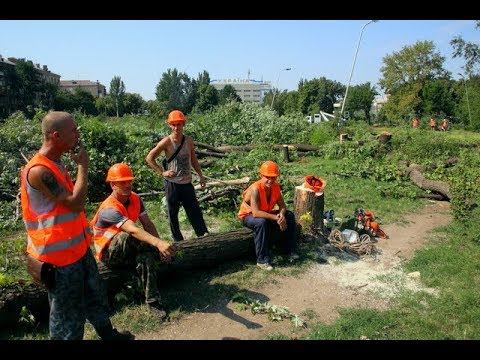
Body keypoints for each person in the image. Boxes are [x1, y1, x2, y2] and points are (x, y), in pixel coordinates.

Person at [19, 111, 133, 340]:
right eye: (74, 130)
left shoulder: (56, 162)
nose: (78, 134)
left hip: (78, 251)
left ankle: (109, 335)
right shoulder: (39, 171)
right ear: (56, 135)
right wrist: (83, 166)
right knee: (67, 318)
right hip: (59, 261)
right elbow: (76, 203)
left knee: (95, 296)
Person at [90, 163, 176, 319]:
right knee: (131, 236)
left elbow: (148, 224)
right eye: (122, 182)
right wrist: (158, 244)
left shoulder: (136, 198)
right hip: (110, 253)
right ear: (112, 185)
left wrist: (160, 245)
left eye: (129, 181)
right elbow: (132, 229)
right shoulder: (108, 209)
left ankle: (153, 302)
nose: (127, 185)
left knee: (146, 257)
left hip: (131, 247)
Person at [145, 110, 209, 242]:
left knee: (194, 211)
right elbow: (149, 158)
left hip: (187, 183)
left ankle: (203, 236)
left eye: (179, 124)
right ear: (169, 125)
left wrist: (201, 176)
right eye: (173, 124)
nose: (176, 127)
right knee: (173, 214)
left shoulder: (188, 141)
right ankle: (178, 240)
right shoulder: (166, 142)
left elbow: (193, 159)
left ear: (183, 124)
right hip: (172, 184)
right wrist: (162, 172)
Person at [237, 160, 299, 271]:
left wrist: (281, 216)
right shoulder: (255, 189)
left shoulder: (275, 187)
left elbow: (282, 206)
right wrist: (276, 218)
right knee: (261, 222)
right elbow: (256, 213)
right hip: (248, 216)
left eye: (273, 177)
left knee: (289, 215)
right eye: (267, 177)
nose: (270, 180)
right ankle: (262, 260)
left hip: (265, 213)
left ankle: (288, 249)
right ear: (261, 175)